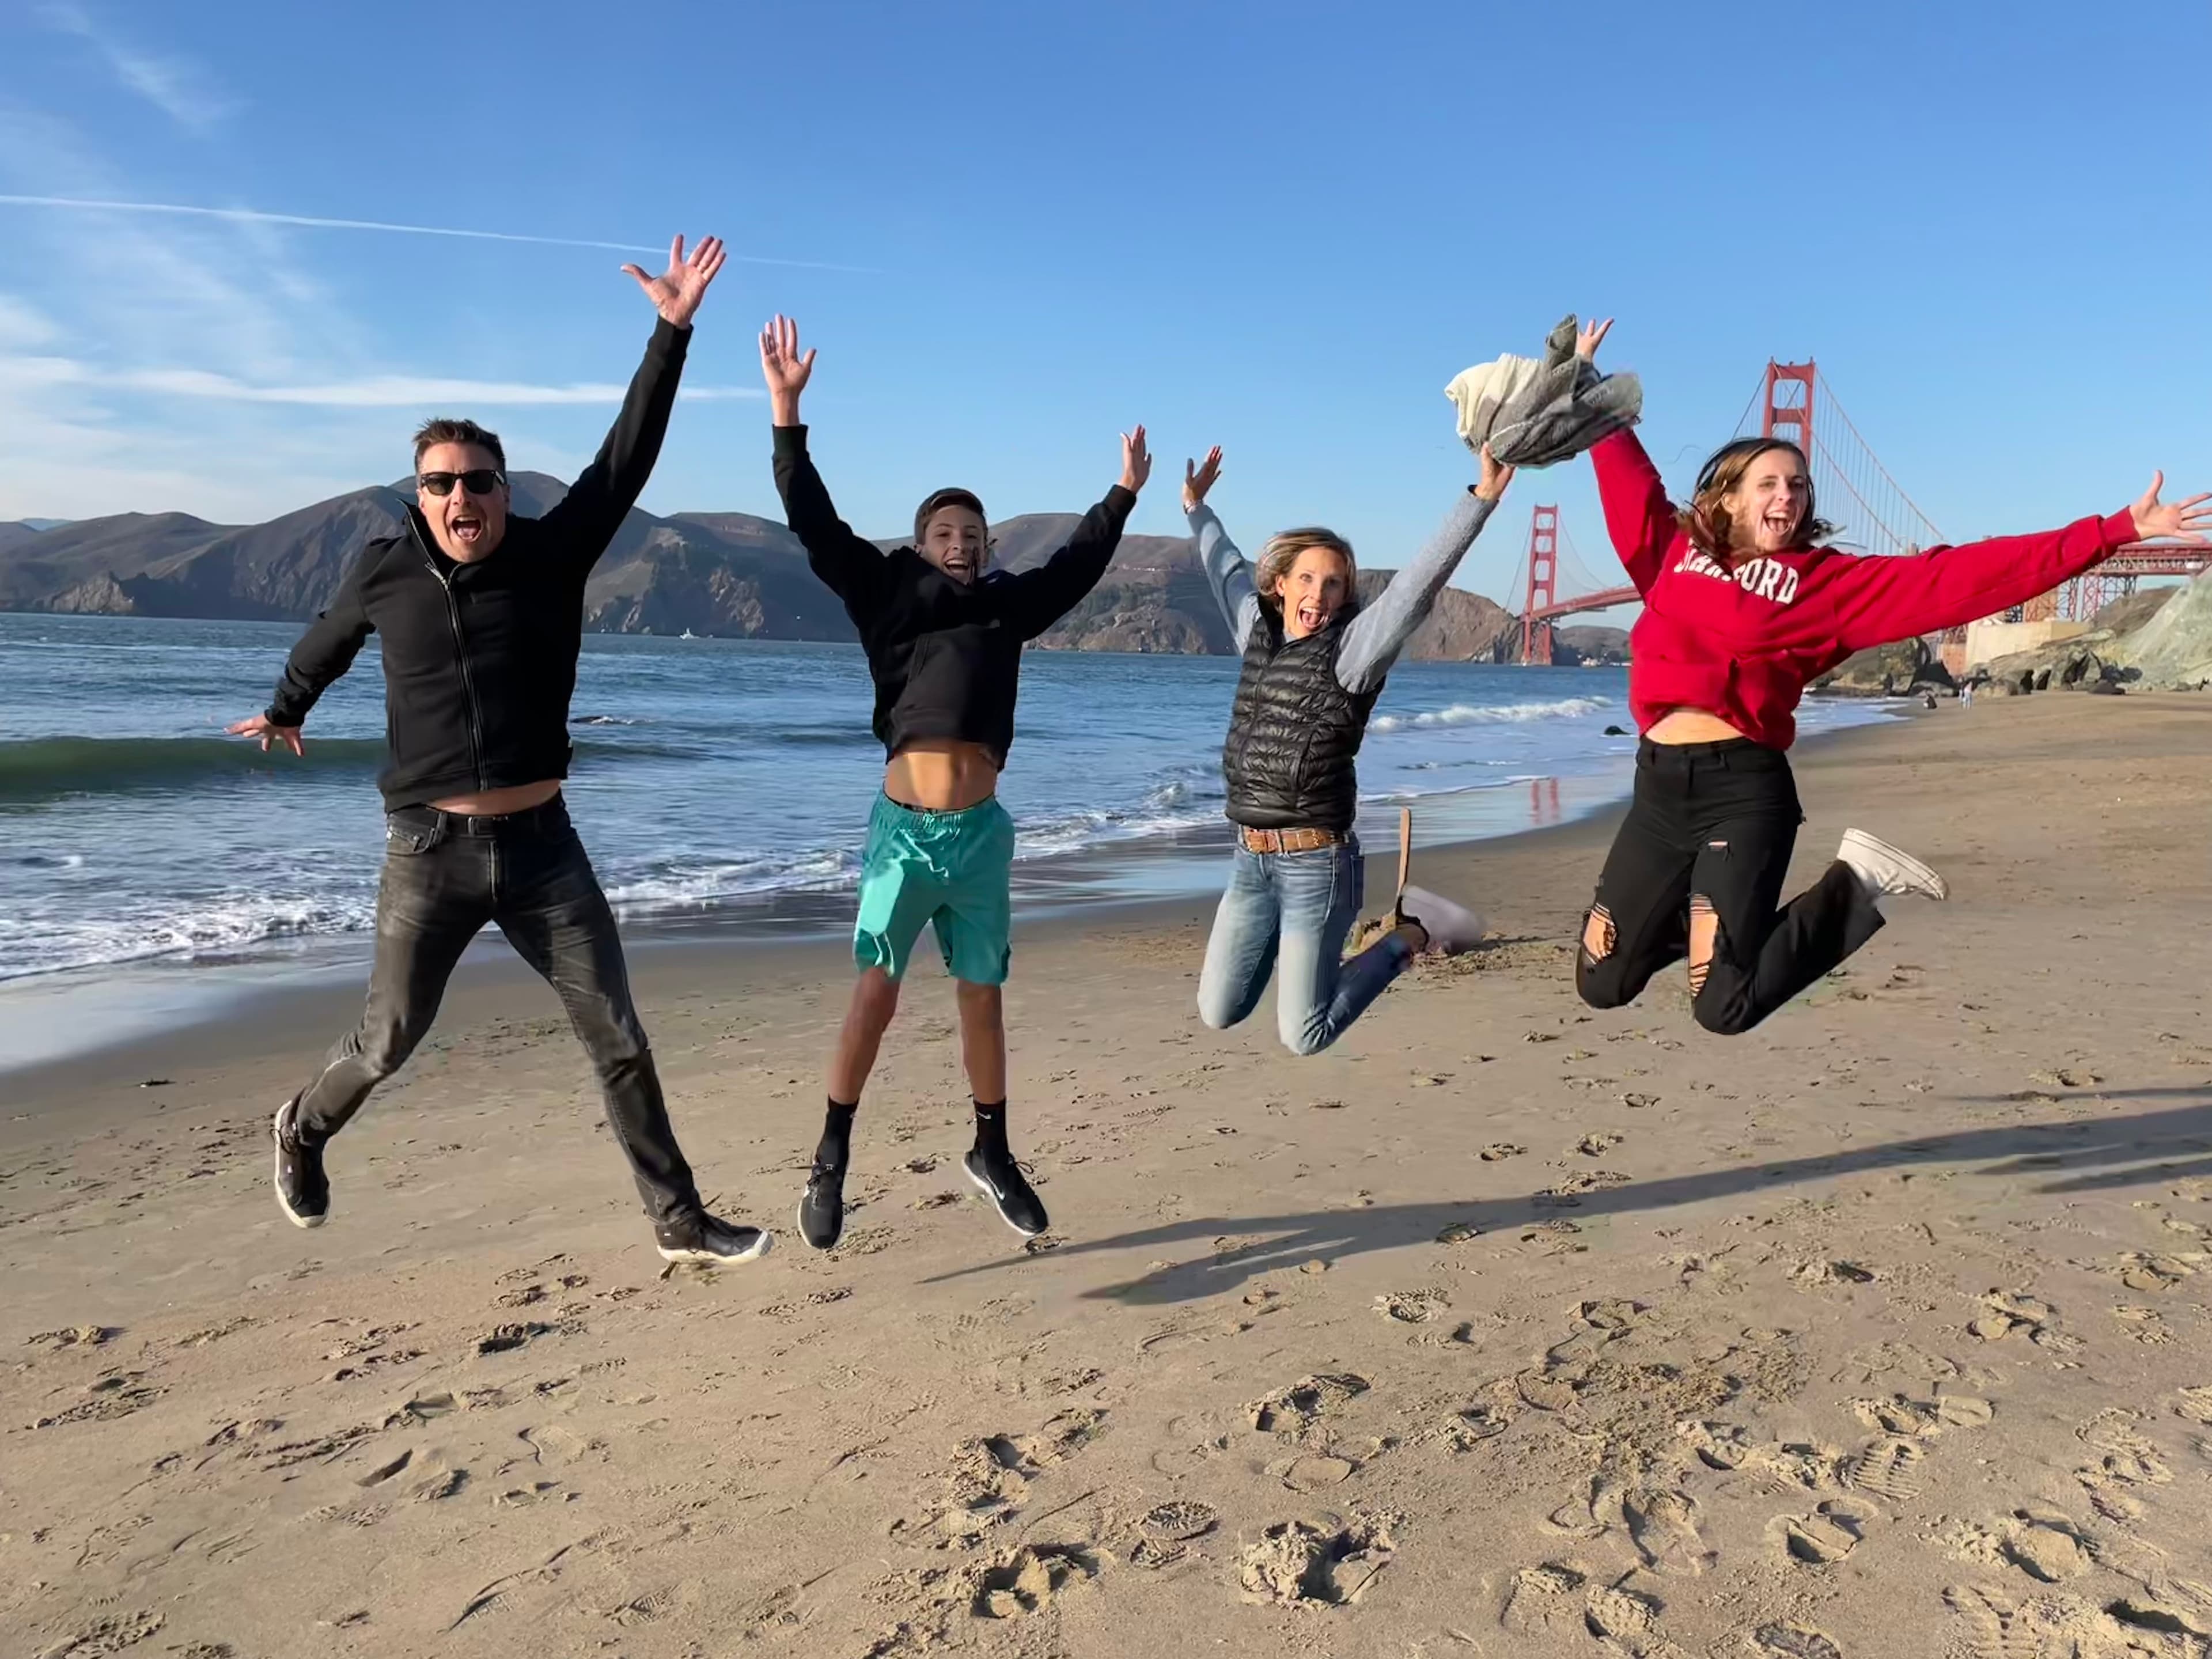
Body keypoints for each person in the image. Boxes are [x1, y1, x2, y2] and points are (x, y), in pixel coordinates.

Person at [229, 236, 771, 1266]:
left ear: (505, 491)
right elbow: (326, 640)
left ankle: (678, 1219)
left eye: (480, 480)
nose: (463, 498)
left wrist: (673, 331)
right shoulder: (384, 573)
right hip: (428, 852)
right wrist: (287, 705)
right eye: (442, 483)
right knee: (387, 1041)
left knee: (616, 1033)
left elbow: (627, 456)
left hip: (544, 854)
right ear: (419, 496)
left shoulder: (554, 554)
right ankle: (302, 1127)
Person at [1572, 317, 2211, 1035]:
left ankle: (1856, 883)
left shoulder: (1825, 586)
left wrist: (2113, 529)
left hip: (1740, 792)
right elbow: (1625, 471)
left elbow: (1961, 577)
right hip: (1657, 789)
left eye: (1799, 486)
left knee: (1722, 1007)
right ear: (1724, 498)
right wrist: (1587, 384)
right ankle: (1709, 919)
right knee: (1602, 979)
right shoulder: (1666, 550)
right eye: (1769, 484)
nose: (1788, 497)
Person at [757, 315, 1150, 1250]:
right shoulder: (887, 592)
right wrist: (787, 415)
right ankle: (830, 1155)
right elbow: (812, 520)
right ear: (923, 541)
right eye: (945, 531)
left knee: (983, 996)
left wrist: (1125, 491)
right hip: (904, 833)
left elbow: (1080, 563)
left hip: (979, 838)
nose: (962, 543)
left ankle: (992, 1151)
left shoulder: (1010, 610)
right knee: (876, 995)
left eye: (974, 532)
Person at [1184, 442, 1504, 1056]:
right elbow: (1223, 568)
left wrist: (1479, 501)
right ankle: (1306, 955)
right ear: (1280, 585)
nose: (1320, 594)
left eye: (1334, 584)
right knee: (1219, 1010)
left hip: (1317, 866)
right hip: (1251, 860)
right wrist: (1197, 507)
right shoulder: (1256, 628)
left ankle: (1409, 934)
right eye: (1307, 578)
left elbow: (1414, 589)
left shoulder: (1354, 653)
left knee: (1305, 1035)